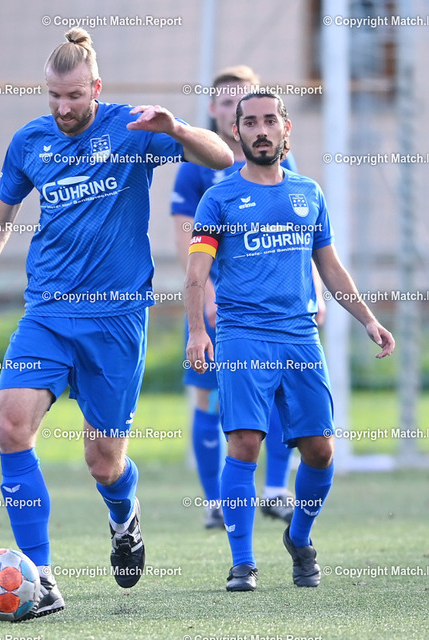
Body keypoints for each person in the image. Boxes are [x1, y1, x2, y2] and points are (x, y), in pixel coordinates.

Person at [0, 28, 233, 619]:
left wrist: (177, 129)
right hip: (47, 314)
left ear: (96, 88)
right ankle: (40, 578)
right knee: (10, 428)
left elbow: (223, 156)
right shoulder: (30, 141)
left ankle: (124, 515)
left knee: (104, 461)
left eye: (74, 95)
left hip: (116, 321)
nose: (63, 107)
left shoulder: (133, 129)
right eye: (54, 95)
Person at [184, 91, 394, 591]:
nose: (261, 130)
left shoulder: (308, 193)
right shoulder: (219, 199)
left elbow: (330, 266)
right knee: (244, 442)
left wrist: (367, 318)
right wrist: (196, 331)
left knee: (320, 450)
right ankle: (243, 563)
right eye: (250, 123)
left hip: (300, 337)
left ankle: (299, 538)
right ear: (236, 132)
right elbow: (195, 274)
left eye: (269, 121)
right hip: (242, 336)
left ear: (285, 128)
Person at [172, 66, 322, 528]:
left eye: (260, 113)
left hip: (278, 312)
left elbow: (303, 237)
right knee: (208, 398)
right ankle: (216, 501)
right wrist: (207, 295)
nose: (238, 113)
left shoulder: (280, 165)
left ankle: (275, 490)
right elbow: (184, 238)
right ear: (219, 112)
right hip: (216, 301)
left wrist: (315, 293)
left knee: (278, 396)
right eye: (226, 102)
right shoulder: (197, 166)